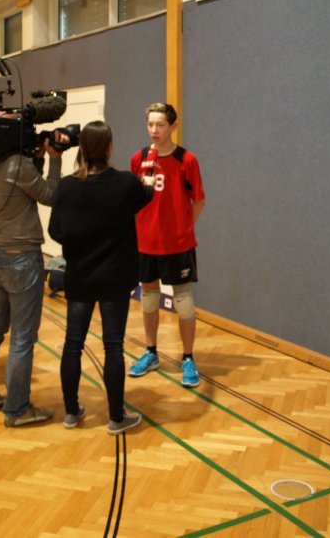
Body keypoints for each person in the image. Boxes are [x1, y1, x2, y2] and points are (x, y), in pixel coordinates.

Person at [48, 121, 153, 435]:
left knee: (73, 345)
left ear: (81, 149)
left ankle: (71, 412)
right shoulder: (125, 184)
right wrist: (147, 183)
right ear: (109, 148)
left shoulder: (66, 187)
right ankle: (116, 418)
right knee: (113, 346)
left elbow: (55, 231)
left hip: (80, 276)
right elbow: (145, 195)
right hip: (115, 279)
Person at [0, 121, 66, 427]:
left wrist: (35, 157)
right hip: (21, 260)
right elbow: (50, 195)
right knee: (23, 338)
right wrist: (54, 159)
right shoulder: (18, 165)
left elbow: (21, 190)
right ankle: (17, 410)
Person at [128, 102, 206, 387]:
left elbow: (199, 201)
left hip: (178, 245)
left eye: (160, 125)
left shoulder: (187, 160)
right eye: (150, 124)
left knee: (183, 302)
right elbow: (135, 200)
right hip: (146, 243)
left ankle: (188, 358)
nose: (154, 130)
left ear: (173, 126)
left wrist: (183, 229)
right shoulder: (138, 158)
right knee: (149, 298)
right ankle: (151, 353)